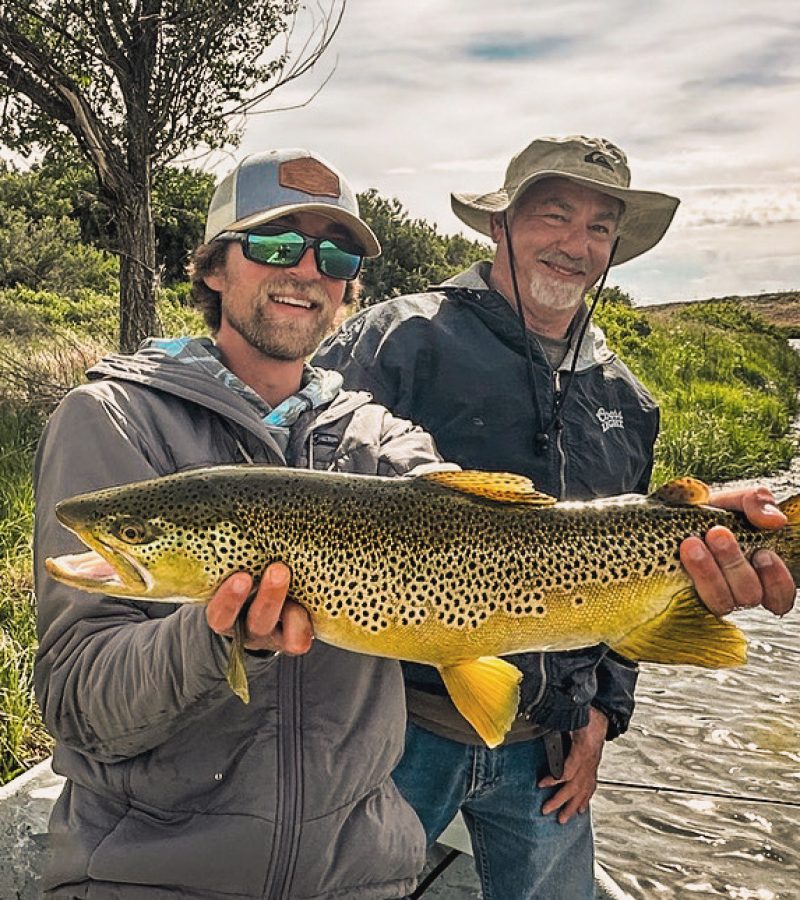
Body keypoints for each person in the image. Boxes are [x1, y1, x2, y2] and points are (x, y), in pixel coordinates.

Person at [313, 135, 797, 899]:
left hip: (547, 746)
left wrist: (604, 710)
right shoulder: (396, 339)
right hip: (387, 729)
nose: (576, 245)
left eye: (599, 227)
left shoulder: (627, 399)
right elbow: (299, 498)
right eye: (555, 215)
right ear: (500, 224)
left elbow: (634, 579)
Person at [33, 149, 444, 899]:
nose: (308, 270)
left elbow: (487, 520)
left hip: (357, 879)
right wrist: (213, 636)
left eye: (336, 253)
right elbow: (79, 701)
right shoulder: (111, 420)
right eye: (276, 244)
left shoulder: (381, 439)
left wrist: (679, 542)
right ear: (214, 268)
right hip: (149, 879)